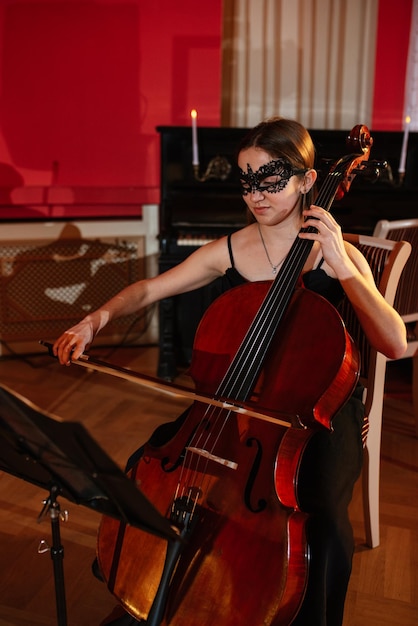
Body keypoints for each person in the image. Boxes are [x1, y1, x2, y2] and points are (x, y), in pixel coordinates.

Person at [53, 117, 407, 626]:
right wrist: (94, 320)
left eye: (270, 180)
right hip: (234, 401)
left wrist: (344, 268)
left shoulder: (339, 254)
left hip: (316, 414)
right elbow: (150, 290)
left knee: (324, 524)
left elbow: (393, 343)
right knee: (147, 462)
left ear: (308, 181)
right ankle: (157, 584)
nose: (256, 196)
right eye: (246, 181)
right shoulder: (233, 248)